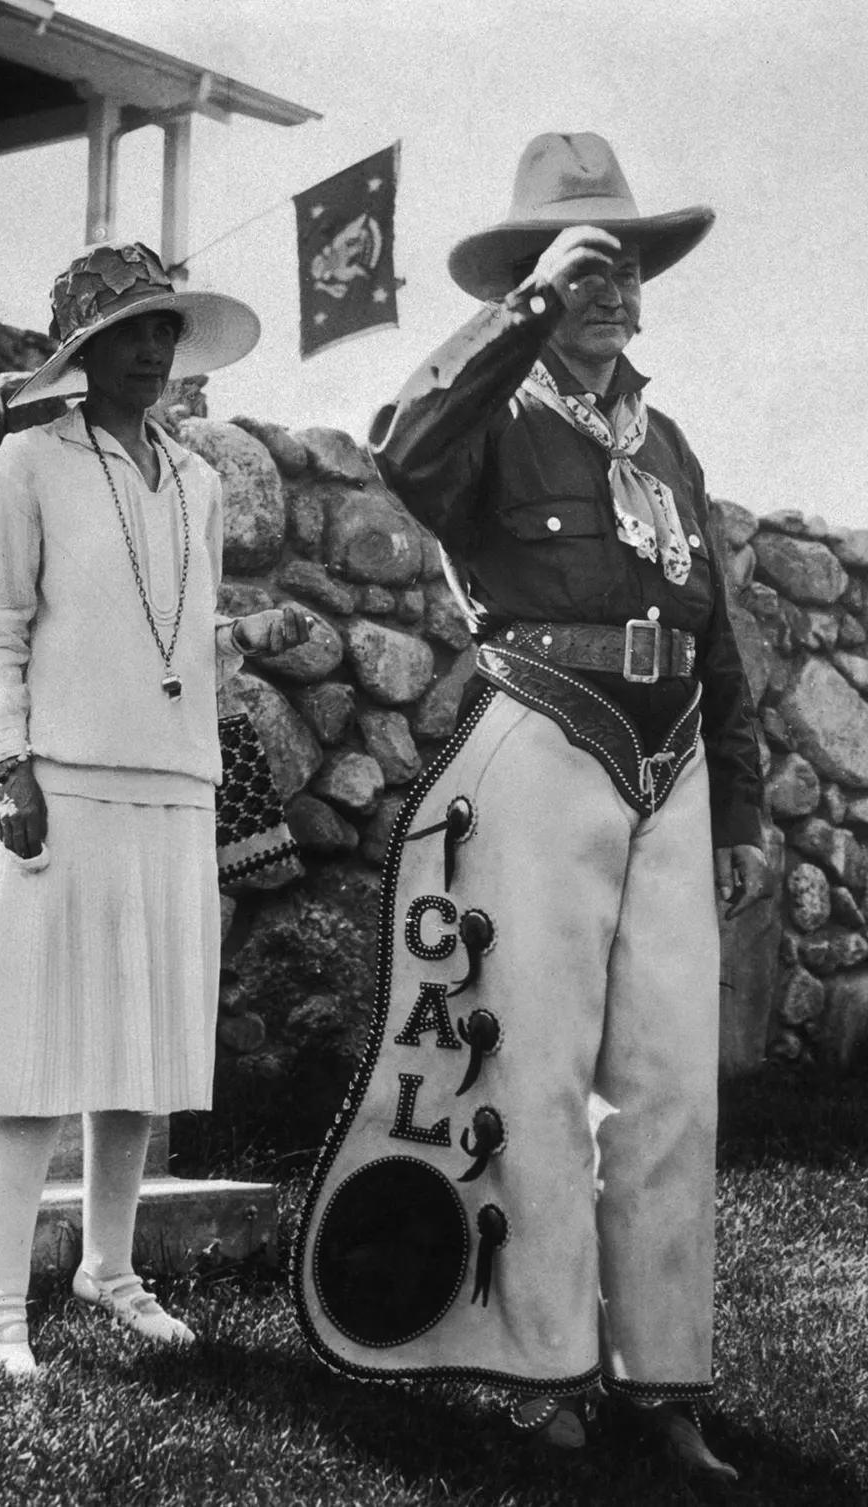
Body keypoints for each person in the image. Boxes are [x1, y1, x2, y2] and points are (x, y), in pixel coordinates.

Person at [294, 134, 767, 1482]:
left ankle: (663, 1380)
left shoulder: (667, 442)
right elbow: (401, 447)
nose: (615, 286)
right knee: (536, 1074)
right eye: (586, 264)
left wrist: (736, 807)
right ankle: (539, 1366)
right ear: (534, 278)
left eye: (626, 265)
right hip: (544, 739)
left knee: (672, 1087)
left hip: (670, 762)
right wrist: (528, 312)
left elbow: (715, 632)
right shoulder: (492, 410)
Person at [0, 240, 308, 1379]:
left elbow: (165, 634)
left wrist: (242, 637)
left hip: (174, 783)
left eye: (166, 330)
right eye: (133, 332)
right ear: (84, 351)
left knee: (138, 1049)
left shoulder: (197, 481)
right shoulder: (30, 464)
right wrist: (10, 765)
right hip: (61, 779)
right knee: (35, 1044)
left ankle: (108, 1266)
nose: (155, 350)